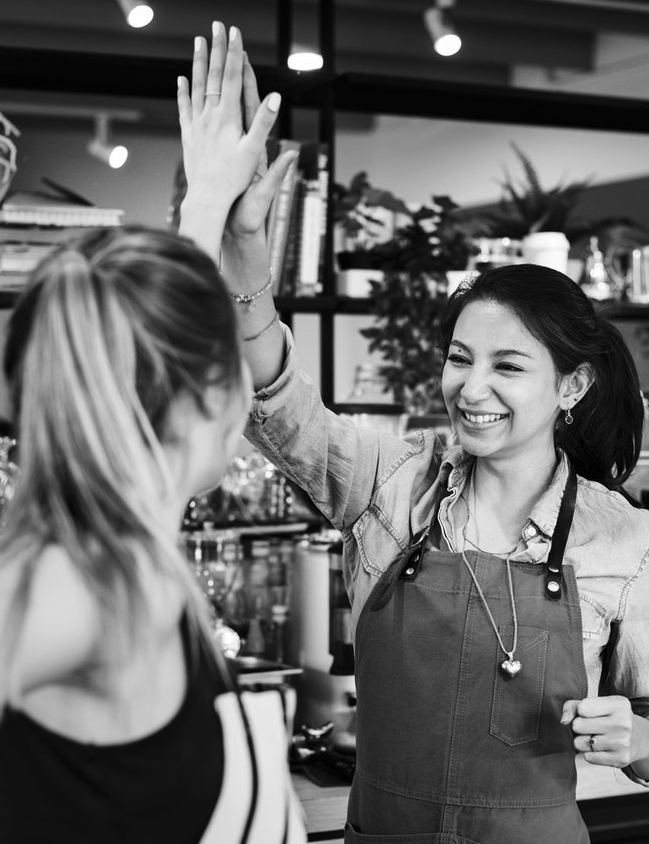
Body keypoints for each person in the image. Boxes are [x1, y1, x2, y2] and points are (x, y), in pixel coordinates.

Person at [180, 26, 649, 844]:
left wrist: (638, 738)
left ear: (571, 385)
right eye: (459, 358)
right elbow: (275, 392)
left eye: (508, 366)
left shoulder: (626, 539)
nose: (471, 388)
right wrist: (244, 246)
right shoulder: (389, 479)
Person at [0, 24, 305, 844]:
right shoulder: (87, 580)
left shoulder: (120, 543)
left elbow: (149, 341)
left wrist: (207, 207)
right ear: (212, 394)